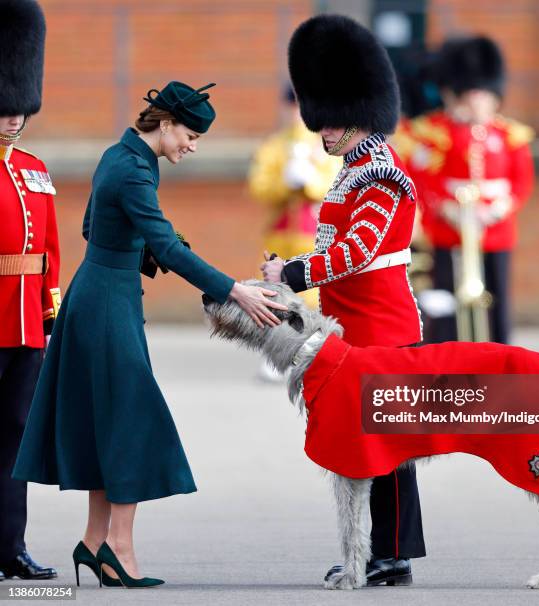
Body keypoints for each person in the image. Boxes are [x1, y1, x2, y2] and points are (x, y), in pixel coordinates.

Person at [13, 81, 287, 588]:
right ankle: (117, 545)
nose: (193, 145)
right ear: (163, 125)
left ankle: (95, 543)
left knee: (107, 420)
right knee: (131, 421)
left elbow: (98, 226)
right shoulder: (134, 168)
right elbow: (163, 242)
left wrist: (143, 249)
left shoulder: (123, 157)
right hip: (108, 304)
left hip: (100, 295)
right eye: (189, 134)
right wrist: (234, 292)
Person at [262, 15, 426, 586]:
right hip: (348, 324)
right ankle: (372, 550)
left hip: (381, 325)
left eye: (330, 121)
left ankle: (395, 555)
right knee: (361, 443)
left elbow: (357, 251)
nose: (322, 132)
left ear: (359, 113)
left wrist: (293, 271)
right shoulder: (352, 169)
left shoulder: (381, 175)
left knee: (391, 448)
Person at [395, 36, 534, 344]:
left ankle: (499, 356)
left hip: (494, 230)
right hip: (450, 229)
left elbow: (521, 182)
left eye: (484, 94)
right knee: (447, 298)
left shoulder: (510, 135)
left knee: (496, 297)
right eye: (473, 93)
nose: (479, 101)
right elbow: (422, 178)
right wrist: (445, 208)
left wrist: (498, 209)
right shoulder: (437, 132)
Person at [0, 0, 58, 582]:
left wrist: (48, 313)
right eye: (5, 109)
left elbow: (49, 257)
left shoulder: (35, 169)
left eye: (19, 109)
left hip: (23, 326)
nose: (13, 118)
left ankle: (9, 547)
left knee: (15, 440)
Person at [248, 85, 341, 380]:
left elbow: (336, 186)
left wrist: (311, 182)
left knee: (314, 297)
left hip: (314, 232)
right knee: (278, 294)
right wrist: (285, 182)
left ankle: (315, 353)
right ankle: (279, 353)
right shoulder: (275, 146)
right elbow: (259, 186)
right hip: (282, 232)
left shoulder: (329, 146)